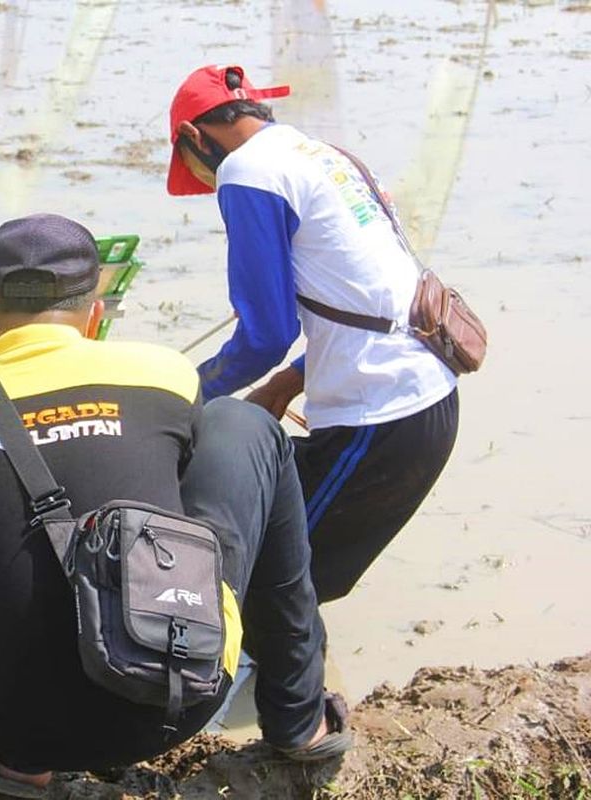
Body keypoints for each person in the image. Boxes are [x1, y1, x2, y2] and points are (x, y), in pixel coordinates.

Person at [0, 213, 350, 798]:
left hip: (13, 725)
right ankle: (300, 723)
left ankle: (15, 764)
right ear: (95, 316)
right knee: (243, 425)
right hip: (177, 696)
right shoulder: (163, 375)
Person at [165, 64, 460, 603]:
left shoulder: (246, 172)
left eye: (195, 171)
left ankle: (291, 690)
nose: (206, 181)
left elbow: (265, 335)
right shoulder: (327, 156)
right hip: (427, 396)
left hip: (379, 416)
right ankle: (293, 683)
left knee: (271, 585)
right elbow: (375, 295)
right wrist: (288, 382)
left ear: (192, 136)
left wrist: (177, 398)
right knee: (282, 569)